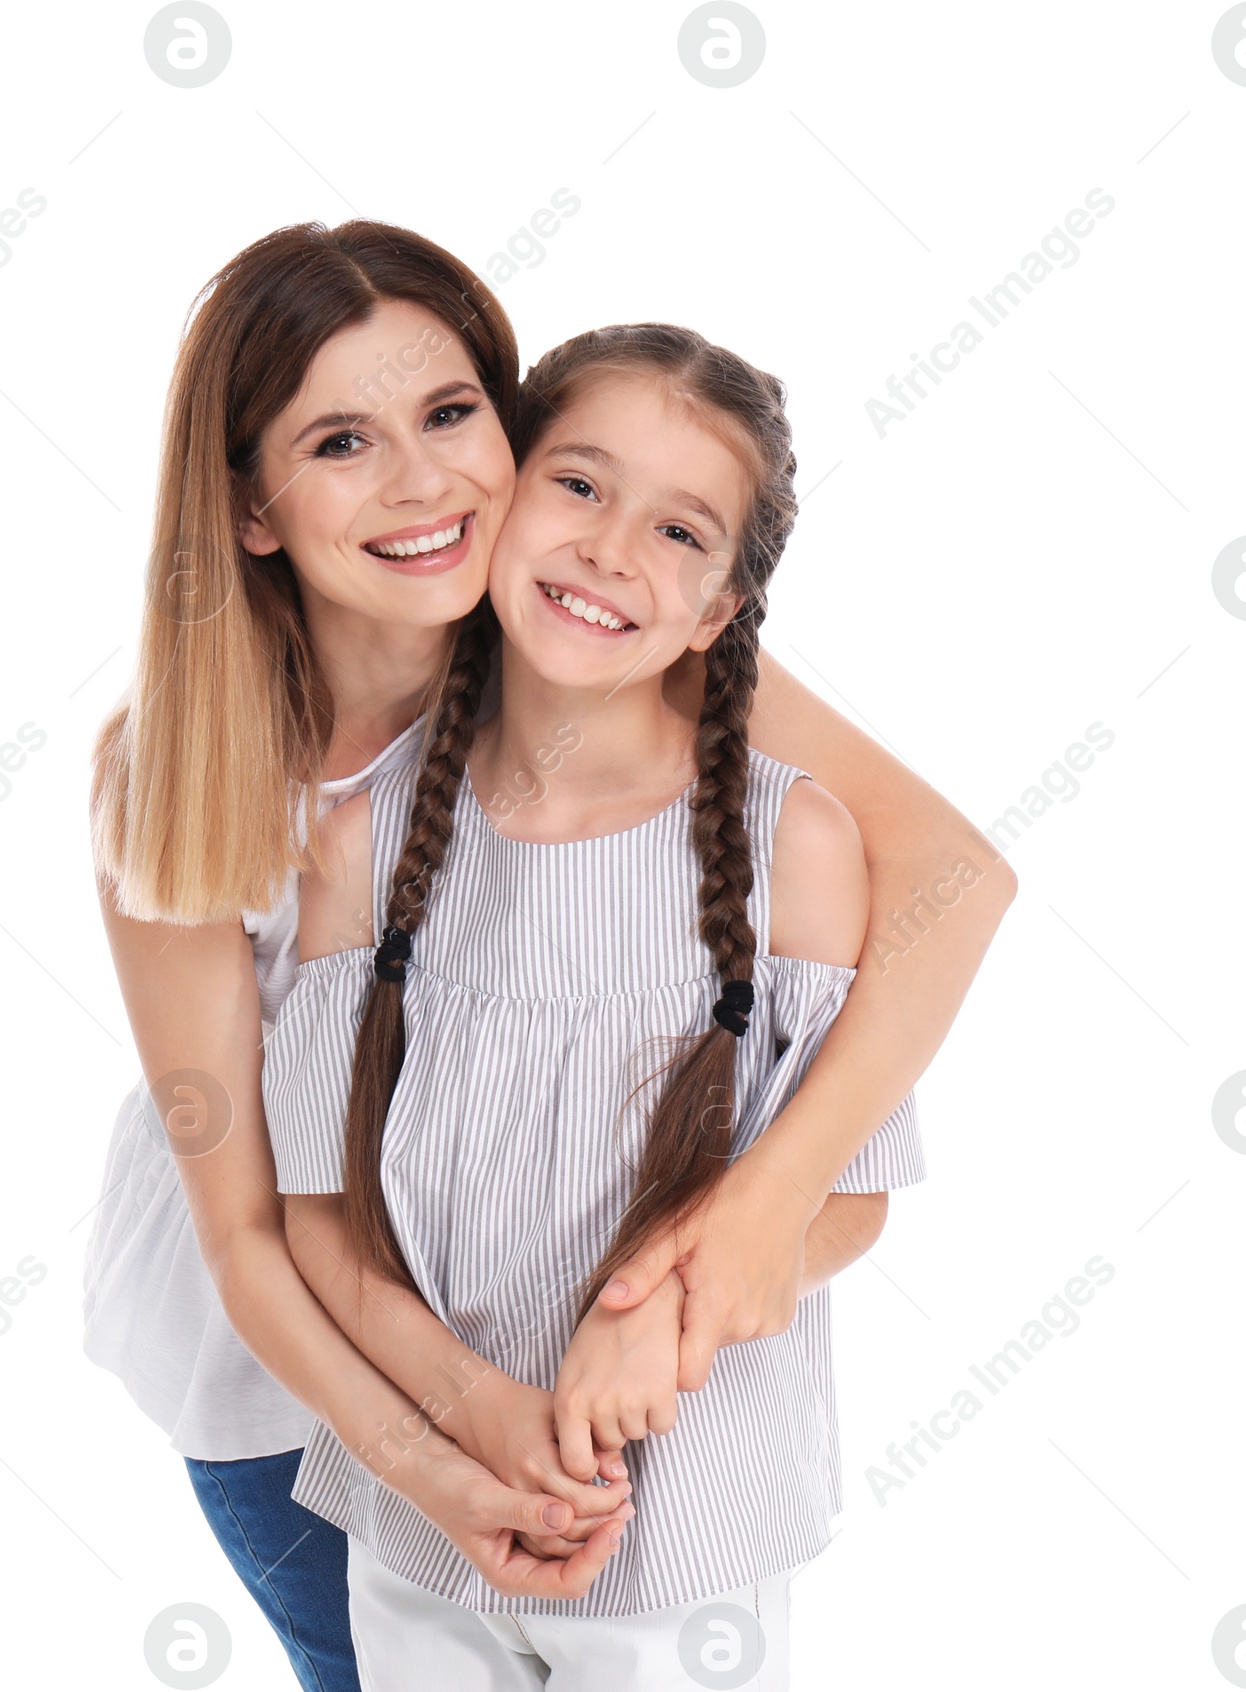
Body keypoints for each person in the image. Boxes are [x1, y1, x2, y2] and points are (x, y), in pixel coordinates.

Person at [82, 222, 1016, 1691]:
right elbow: (256, 1233)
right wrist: (436, 1461)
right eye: (340, 441)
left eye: (452, 416)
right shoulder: (189, 768)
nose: (421, 482)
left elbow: (954, 882)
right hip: (277, 1351)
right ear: (253, 507)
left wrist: (760, 1217)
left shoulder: (584, 629)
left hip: (555, 1346)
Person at [266, 324, 933, 1687]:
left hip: (678, 1540)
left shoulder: (792, 847)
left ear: (719, 614)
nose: (612, 549)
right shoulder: (362, 843)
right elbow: (315, 1221)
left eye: (681, 531)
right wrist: (475, 1417)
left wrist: (666, 1320)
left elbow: (851, 1197)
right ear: (500, 495)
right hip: (421, 1527)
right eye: (579, 485)